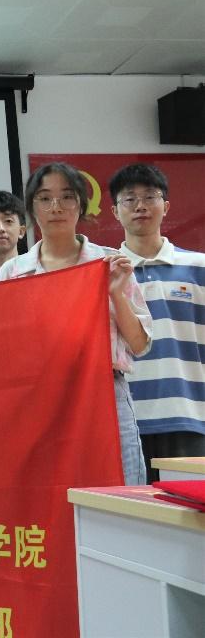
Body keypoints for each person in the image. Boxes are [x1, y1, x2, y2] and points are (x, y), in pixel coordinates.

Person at [0, 162, 152, 485]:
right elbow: (5, 350)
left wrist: (115, 293)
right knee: (47, 491)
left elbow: (140, 345)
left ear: (81, 204)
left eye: (67, 197)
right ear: (31, 208)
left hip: (104, 392)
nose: (56, 207)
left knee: (121, 489)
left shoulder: (109, 263)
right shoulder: (14, 272)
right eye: (44, 198)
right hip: (39, 398)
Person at [109, 163, 205, 482]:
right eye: (129, 199)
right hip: (125, 421)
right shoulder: (105, 273)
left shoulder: (199, 267)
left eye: (150, 196)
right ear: (115, 211)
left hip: (191, 418)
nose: (140, 206)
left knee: (191, 512)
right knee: (133, 511)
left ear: (166, 206)